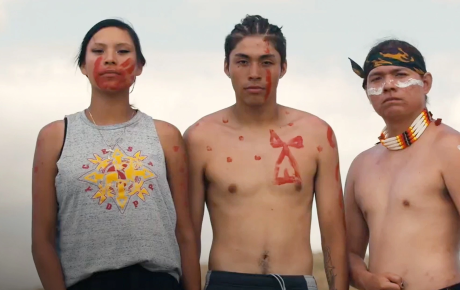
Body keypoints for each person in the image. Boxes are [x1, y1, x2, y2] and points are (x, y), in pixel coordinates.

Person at [31, 19, 201, 290]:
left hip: (158, 282)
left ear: (139, 67)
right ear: (83, 66)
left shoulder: (167, 136)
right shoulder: (54, 137)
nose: (110, 59)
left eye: (122, 51)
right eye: (98, 51)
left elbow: (186, 233)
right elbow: (42, 239)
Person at [185, 14, 348, 290]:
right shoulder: (201, 138)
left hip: (295, 280)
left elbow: (333, 233)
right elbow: (187, 235)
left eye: (267, 62)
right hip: (227, 280)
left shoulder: (317, 135)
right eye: (243, 61)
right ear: (226, 66)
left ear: (283, 67)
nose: (255, 73)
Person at [345, 39, 460, 290]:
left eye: (400, 74)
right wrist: (367, 280)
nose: (388, 86)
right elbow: (349, 254)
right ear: (366, 91)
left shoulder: (451, 149)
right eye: (376, 79)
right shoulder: (361, 166)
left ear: (426, 83)